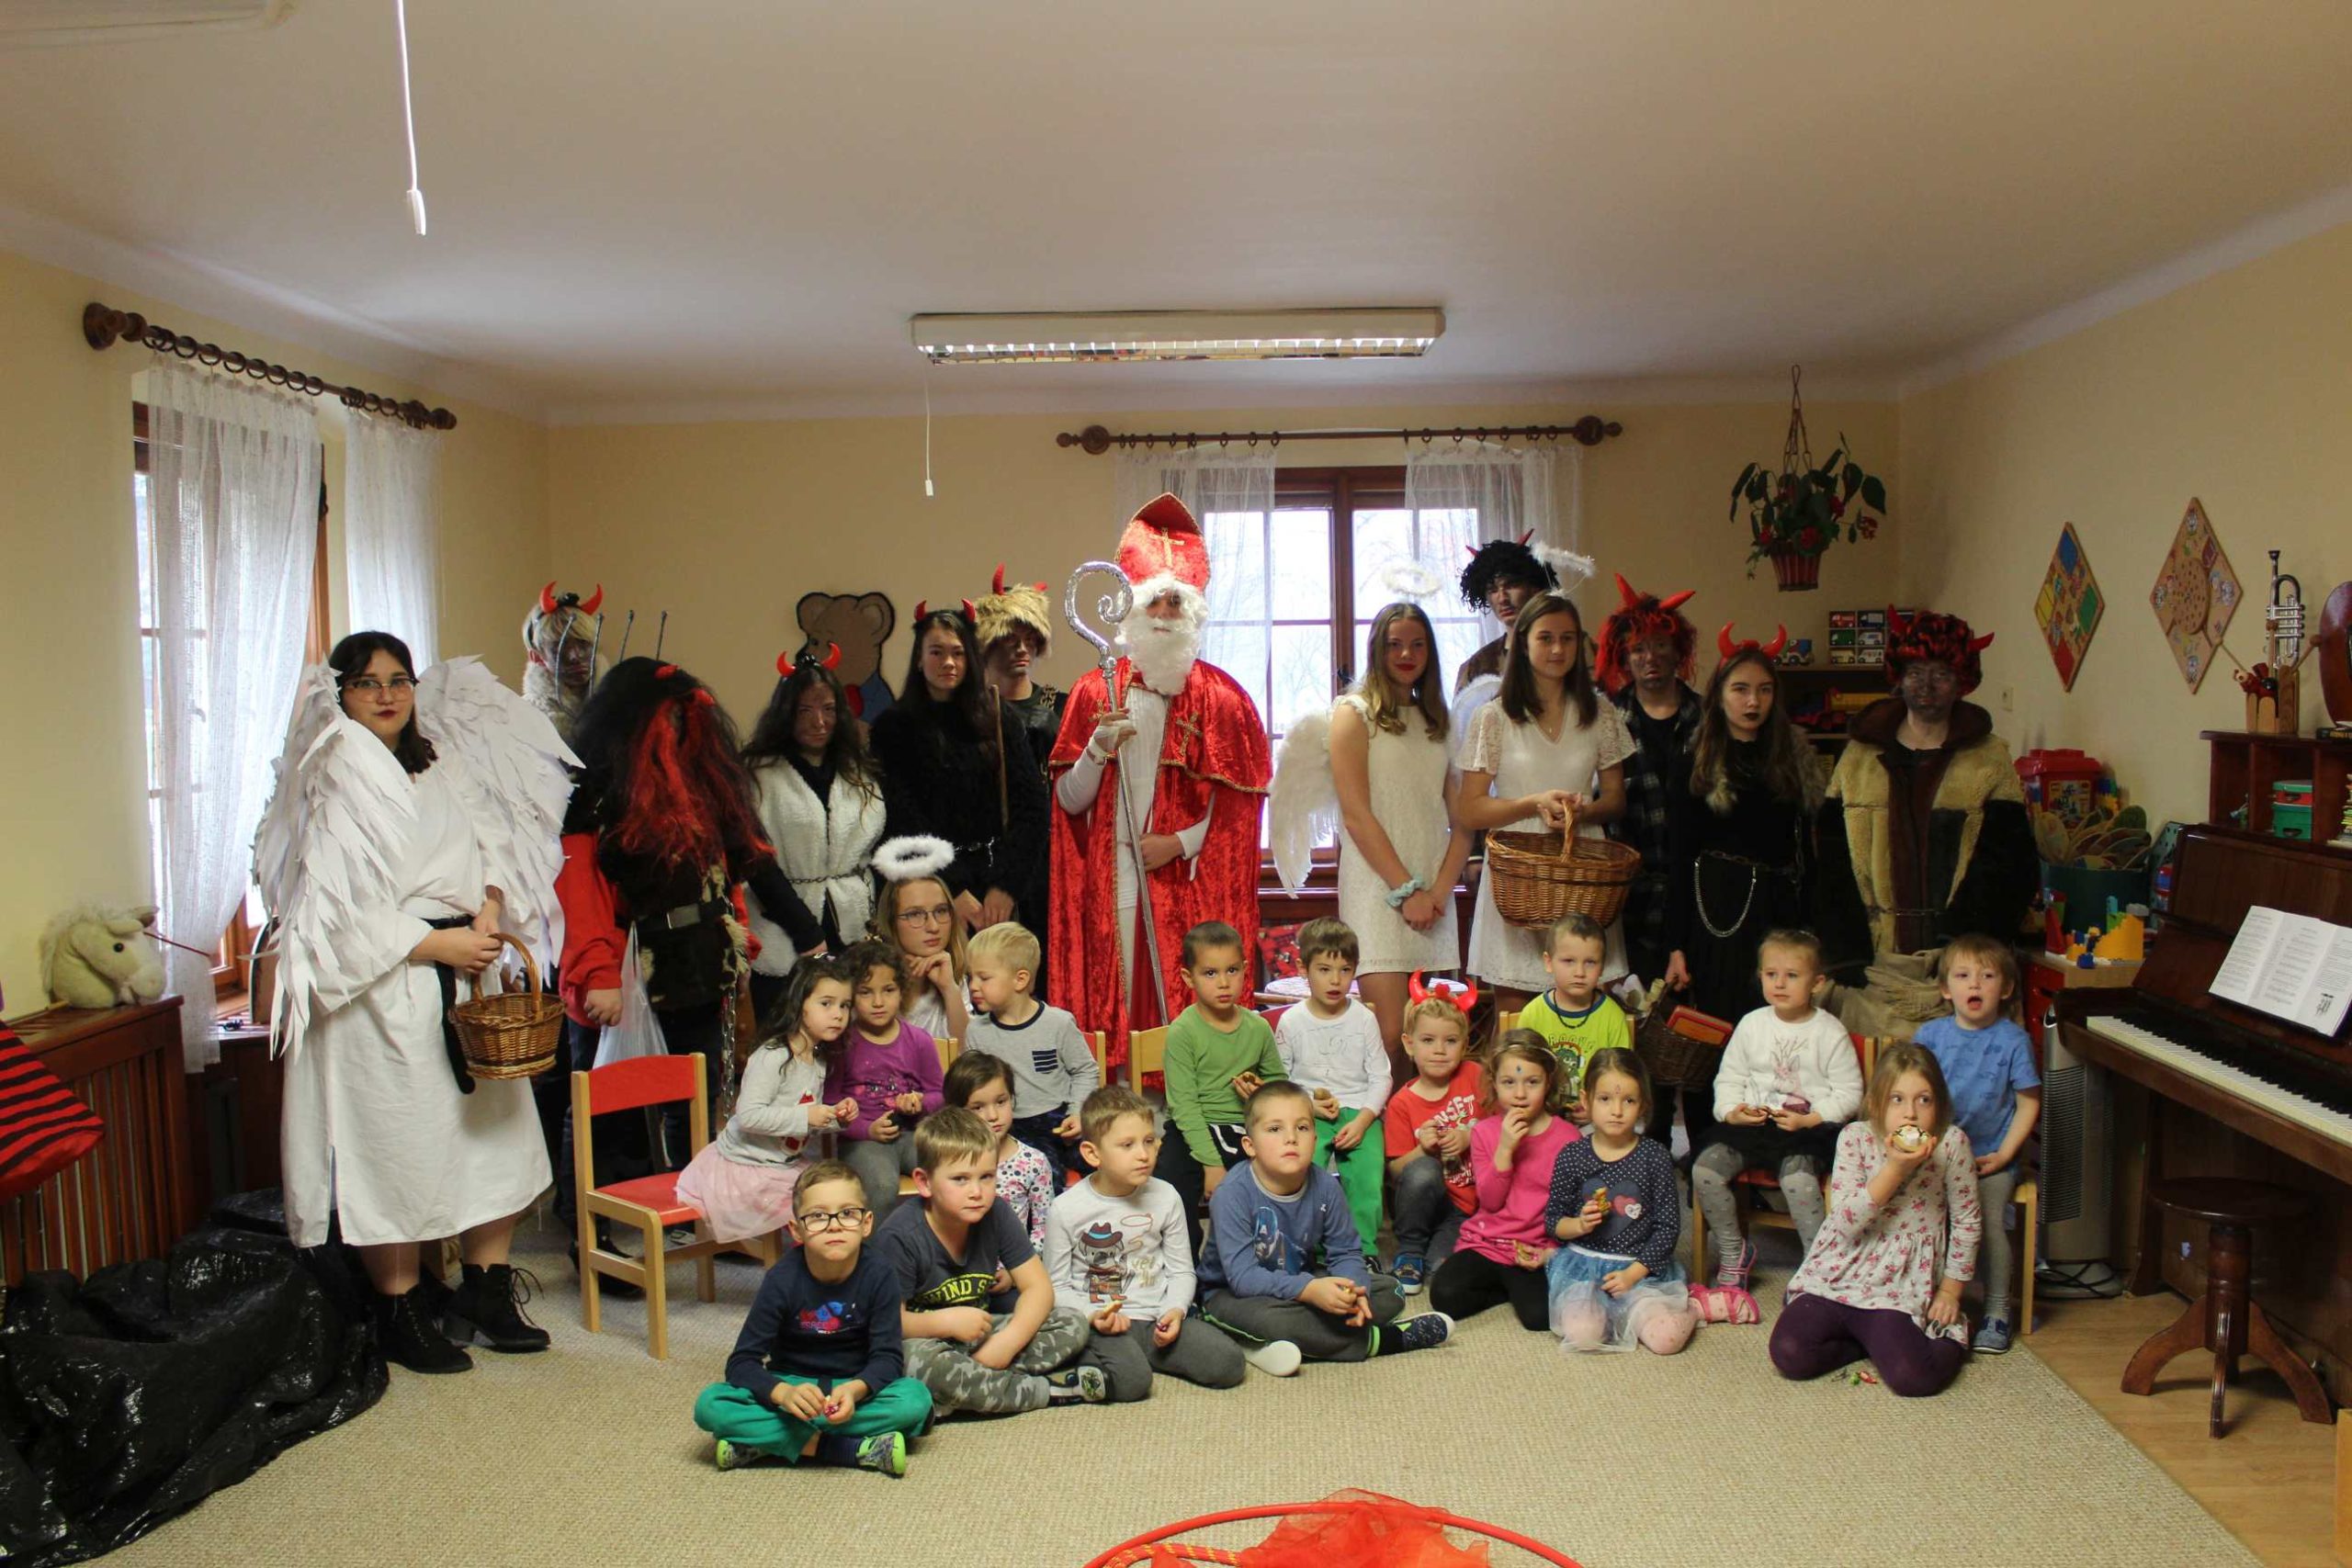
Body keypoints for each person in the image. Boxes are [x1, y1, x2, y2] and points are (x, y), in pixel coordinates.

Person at [254, 634, 570, 1373]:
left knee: (494, 1141)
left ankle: (485, 1288)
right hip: (383, 991)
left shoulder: (441, 762)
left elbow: (493, 841)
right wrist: (431, 945)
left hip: (467, 979)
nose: (388, 694)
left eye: (398, 680)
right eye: (368, 683)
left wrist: (490, 905)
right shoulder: (328, 776)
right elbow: (323, 908)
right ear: (340, 694)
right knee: (396, 1149)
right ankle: (400, 1305)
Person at [558, 658, 810, 1182]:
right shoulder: (593, 799)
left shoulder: (705, 788)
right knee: (612, 1105)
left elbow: (722, 878)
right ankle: (593, 1215)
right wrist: (598, 976)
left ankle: (696, 1200)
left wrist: (739, 947)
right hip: (627, 976)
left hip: (700, 965)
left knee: (698, 1093)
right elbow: (580, 898)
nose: (675, 730)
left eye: (682, 719)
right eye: (665, 719)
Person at [1048, 493, 1271, 1070]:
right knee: (1118, 991)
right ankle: (1122, 1099)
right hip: (1112, 873)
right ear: (1133, 608)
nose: (1166, 612)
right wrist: (1098, 747)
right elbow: (1069, 802)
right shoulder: (1095, 692)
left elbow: (1237, 817)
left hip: (1187, 877)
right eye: (1156, 599)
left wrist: (1178, 842)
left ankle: (1188, 1102)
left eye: (1178, 601)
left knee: (1187, 997)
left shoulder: (1223, 699)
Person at [1815, 609, 2036, 1036]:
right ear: (1898, 676)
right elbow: (1831, 862)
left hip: (1959, 970)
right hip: (1873, 963)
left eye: (1941, 675)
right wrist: (1846, 953)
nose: (1926, 686)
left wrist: (1963, 946)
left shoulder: (1988, 759)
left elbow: (2009, 866)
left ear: (1962, 681)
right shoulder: (1859, 757)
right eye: (1916, 673)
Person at [1272, 604, 1472, 1064]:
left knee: (1433, 1037)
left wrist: (1438, 892)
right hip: (1379, 892)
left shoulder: (1439, 721)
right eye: (1394, 644)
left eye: (1417, 645)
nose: (1406, 654)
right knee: (1388, 1035)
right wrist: (1407, 893)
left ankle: (1421, 1115)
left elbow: (1462, 820)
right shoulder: (1354, 713)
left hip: (1433, 897)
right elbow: (1357, 816)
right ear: (1377, 650)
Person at [1662, 628, 1822, 1156]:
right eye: (1741, 689)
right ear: (1720, 694)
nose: (1753, 701)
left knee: (1774, 1031)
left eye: (1764, 690)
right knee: (1715, 1034)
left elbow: (1806, 851)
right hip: (1715, 912)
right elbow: (1678, 856)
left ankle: (1767, 1152)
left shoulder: (1792, 758)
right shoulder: (1695, 758)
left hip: (1775, 911)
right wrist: (1676, 944)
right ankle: (1711, 1152)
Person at [691, 1160, 933, 1476]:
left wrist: (856, 1390)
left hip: (851, 1389)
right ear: (796, 1230)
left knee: (915, 1401)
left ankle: (767, 1442)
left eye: (847, 1213)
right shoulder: (781, 1279)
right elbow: (742, 1363)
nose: (834, 1225)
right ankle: (845, 1449)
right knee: (710, 1405)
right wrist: (782, 1393)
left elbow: (887, 1358)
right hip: (791, 1387)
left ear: (866, 1223)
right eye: (818, 1216)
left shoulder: (881, 1273)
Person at [1770, 1043, 1982, 1398]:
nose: (1910, 1113)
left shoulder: (1952, 1144)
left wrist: (1950, 1292)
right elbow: (1846, 1223)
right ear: (1877, 1103)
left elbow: (1967, 1222)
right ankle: (1864, 1344)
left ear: (1939, 1104)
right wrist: (1895, 1169)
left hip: (1899, 1283)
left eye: (1924, 1100)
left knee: (1913, 1379)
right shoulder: (1854, 1137)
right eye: (1897, 1099)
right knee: (1790, 1353)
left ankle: (1949, 1338)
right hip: (1841, 1269)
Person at [1453, 591, 1633, 1011]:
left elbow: (1616, 799)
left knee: (1586, 1012)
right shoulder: (1494, 717)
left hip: (1582, 863)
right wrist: (1532, 803)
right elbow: (1470, 808)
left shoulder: (1600, 713)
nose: (1557, 649)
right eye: (1546, 638)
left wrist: (1581, 811)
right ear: (1523, 643)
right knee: (1515, 1020)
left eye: (1567, 639)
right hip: (1516, 868)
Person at [1197, 1082, 1455, 1370]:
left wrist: (1354, 1292)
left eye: (1302, 1128)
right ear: (1250, 1146)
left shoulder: (1325, 1186)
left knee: (1390, 1291)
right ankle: (1380, 1341)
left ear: (1315, 1137)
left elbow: (1345, 1252)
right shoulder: (1232, 1193)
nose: (1291, 1138)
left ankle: (1299, 1339)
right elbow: (1243, 1277)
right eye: (1275, 1129)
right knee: (1275, 1319)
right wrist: (1308, 1290)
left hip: (1300, 1278)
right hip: (1232, 1293)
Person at [870, 1108, 1106, 1416]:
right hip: (925, 1342)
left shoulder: (997, 1212)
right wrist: (946, 1322)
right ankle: (1047, 1392)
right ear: (924, 1182)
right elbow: (889, 1323)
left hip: (980, 1335)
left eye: (986, 1177)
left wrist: (1007, 1342)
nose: (976, 1192)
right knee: (913, 1361)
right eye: (960, 1179)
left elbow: (1039, 1289)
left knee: (1072, 1323)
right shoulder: (899, 1236)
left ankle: (966, 1391)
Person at [1046, 1085, 1249, 1401]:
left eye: (1149, 1141)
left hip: (1155, 1317)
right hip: (1101, 1323)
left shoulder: (1166, 1196)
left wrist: (1175, 1310)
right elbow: (1055, 1287)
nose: (1143, 1154)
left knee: (1228, 1364)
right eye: (1127, 1145)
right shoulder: (1065, 1208)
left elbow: (1182, 1271)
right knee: (1132, 1384)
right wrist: (1092, 1315)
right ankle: (1103, 1360)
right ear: (1092, 1154)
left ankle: (1136, 1356)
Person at [1691, 930, 1861, 1292]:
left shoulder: (1829, 1031)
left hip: (1807, 1128)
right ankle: (1734, 1251)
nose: (1779, 984)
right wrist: (1732, 1111)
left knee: (1798, 1181)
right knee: (1704, 1169)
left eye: (1792, 975)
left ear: (1817, 983)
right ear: (1761, 977)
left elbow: (1850, 1094)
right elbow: (1730, 1078)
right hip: (1751, 1126)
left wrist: (1811, 1118)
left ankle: (1816, 1263)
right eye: (1771, 975)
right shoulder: (1752, 1024)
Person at [869, 606, 1050, 941]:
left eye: (958, 653)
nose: (948, 663)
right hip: (928, 885)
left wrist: (1006, 885)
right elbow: (901, 816)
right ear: (919, 659)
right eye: (936, 652)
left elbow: (1033, 807)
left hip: (997, 885)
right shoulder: (893, 727)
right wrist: (950, 887)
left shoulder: (997, 717)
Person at [741, 642, 887, 1023]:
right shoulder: (759, 775)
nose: (819, 721)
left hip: (851, 926)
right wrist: (805, 932)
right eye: (805, 711)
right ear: (786, 714)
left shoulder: (859, 772)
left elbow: (876, 848)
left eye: (828, 709)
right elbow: (755, 861)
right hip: (783, 927)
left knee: (849, 1035)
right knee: (787, 1035)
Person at [675, 955, 860, 1245]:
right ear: (798, 1004)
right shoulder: (773, 1056)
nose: (838, 1014)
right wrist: (807, 1115)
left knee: (831, 1199)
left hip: (783, 1163)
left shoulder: (818, 1058)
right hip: (746, 1167)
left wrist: (835, 1117)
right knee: (813, 1211)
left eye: (844, 1005)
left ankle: (821, 1263)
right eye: (826, 1003)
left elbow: (799, 1121)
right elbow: (749, 1116)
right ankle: (805, 1268)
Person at [1914, 935, 2041, 1354]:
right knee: (1917, 1214)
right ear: (1945, 989)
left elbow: (2028, 1103)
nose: (1975, 984)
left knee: (1988, 1221)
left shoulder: (2014, 1041)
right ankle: (1920, 1298)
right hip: (1935, 1155)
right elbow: (1913, 1092)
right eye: (1963, 976)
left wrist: (2006, 1154)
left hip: (1990, 1159)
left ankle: (1997, 1309)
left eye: (1987, 977)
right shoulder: (1930, 1036)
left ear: (2005, 989)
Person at [1544, 1049, 1700, 1354]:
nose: (1616, 1111)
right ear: (1586, 1100)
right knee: (1582, 1336)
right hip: (1583, 1270)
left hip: (1640, 1270)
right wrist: (1579, 1224)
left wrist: (1633, 1274)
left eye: (1628, 1101)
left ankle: (1696, 1308)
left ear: (1644, 1105)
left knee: (1666, 1341)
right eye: (1605, 1099)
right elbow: (1553, 1222)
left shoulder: (1654, 1157)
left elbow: (1668, 1228)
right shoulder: (1572, 1155)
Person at [1427, 1033, 1580, 1331]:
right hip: (1487, 1243)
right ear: (1494, 1084)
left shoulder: (1568, 1138)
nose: (1520, 1094)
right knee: (1444, 1296)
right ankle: (1503, 1291)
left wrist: (1551, 1252)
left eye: (1532, 1082)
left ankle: (1513, 1289)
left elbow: (1569, 1207)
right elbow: (1491, 1201)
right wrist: (1505, 1150)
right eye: (1509, 1082)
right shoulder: (1484, 1132)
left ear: (1548, 1082)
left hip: (1534, 1248)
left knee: (1540, 1318)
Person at [1596, 575, 1702, 988]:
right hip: (1628, 900)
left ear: (1678, 650)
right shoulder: (1606, 720)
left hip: (1697, 895)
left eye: (1660, 645)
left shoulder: (1708, 719)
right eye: (1639, 648)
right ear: (1624, 657)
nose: (1650, 657)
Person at [1270, 919, 1394, 1256]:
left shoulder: (1364, 1019)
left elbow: (1381, 1076)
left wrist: (1364, 1121)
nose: (1335, 980)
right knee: (1302, 1169)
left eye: (1345, 970)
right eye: (1324, 970)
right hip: (1307, 1113)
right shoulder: (1292, 1021)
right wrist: (1307, 1105)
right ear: (1303, 969)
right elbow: (1280, 1079)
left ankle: (1363, 1251)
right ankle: (1308, 1248)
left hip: (1359, 1112)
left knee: (1366, 1177)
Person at [1153, 920, 1289, 1225]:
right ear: (1189, 978)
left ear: (1245, 970)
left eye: (1232, 970)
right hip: (1192, 1128)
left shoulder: (1258, 1028)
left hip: (1244, 1127)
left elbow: (1279, 1086)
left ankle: (1260, 1246)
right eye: (1210, 973)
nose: (1224, 983)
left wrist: (1262, 1092)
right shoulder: (1183, 1031)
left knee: (1275, 1178)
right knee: (1170, 1189)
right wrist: (1211, 1164)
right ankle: (1185, 1253)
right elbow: (1184, 1106)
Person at [961, 920, 1098, 1189]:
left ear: (1020, 979)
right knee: (1042, 1174)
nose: (973, 986)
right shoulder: (977, 1032)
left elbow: (1085, 1070)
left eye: (984, 978)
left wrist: (1077, 1112)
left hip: (1061, 1120)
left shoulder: (1058, 1023)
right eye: (970, 978)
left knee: (1109, 1156)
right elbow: (973, 1088)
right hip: (1011, 1129)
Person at [825, 940, 946, 1222]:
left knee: (946, 1170)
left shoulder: (918, 1040)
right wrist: (867, 1129)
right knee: (881, 1185)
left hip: (913, 1134)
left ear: (901, 990)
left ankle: (936, 1242)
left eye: (888, 990)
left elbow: (940, 1094)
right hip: (862, 1141)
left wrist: (920, 1102)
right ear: (851, 996)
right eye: (866, 992)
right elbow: (830, 1105)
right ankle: (874, 1248)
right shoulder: (841, 1044)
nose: (878, 1002)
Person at [1382, 991, 1485, 1294]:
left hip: (1470, 1208)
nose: (1439, 1050)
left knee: (1442, 1270)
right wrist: (1422, 1149)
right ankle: (1410, 1249)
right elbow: (1395, 1173)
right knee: (1423, 1170)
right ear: (1409, 1044)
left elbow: (1504, 1126)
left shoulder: (1475, 1076)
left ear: (1464, 1045)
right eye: (1428, 1040)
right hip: (1430, 1203)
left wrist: (1470, 1136)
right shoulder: (1402, 1103)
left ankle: (1433, 1249)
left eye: (1450, 1041)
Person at [1517, 912, 1633, 1116]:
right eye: (1569, 961)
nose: (1579, 972)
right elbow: (1519, 1070)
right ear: (1549, 962)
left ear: (1603, 966)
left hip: (1596, 1117)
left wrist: (1597, 1107)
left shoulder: (1612, 1016)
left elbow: (1621, 1076)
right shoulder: (1533, 1014)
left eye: (1590, 962)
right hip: (1542, 1114)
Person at [943, 1052, 1054, 1252]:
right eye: (978, 1107)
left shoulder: (1034, 1162)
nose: (993, 1115)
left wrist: (1021, 1264)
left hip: (1015, 1264)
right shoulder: (946, 1161)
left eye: (1001, 1102)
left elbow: (1043, 1229)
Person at [869, 838, 971, 1039]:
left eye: (941, 911)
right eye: (915, 914)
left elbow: (966, 1051)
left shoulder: (952, 973)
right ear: (891, 922)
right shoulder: (869, 978)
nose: (933, 927)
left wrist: (949, 989)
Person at [972, 564, 1067, 773]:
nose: (1022, 648)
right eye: (1010, 639)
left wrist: (1059, 739)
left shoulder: (1062, 707)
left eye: (1029, 639)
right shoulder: (969, 708)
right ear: (988, 642)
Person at [1453, 532, 1557, 693]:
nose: (1502, 598)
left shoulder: (1568, 650)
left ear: (1534, 587)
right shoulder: (1478, 666)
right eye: (1493, 590)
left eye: (1511, 585)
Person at [519, 580, 605, 744]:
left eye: (583, 644)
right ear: (537, 656)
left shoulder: (618, 706)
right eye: (559, 647)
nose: (575, 656)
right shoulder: (524, 717)